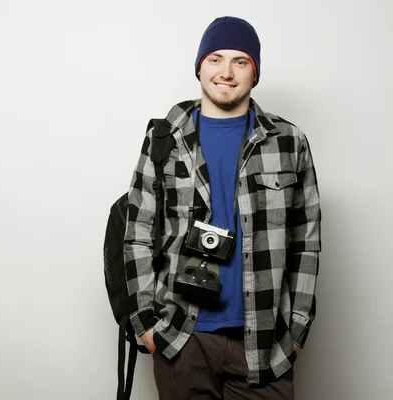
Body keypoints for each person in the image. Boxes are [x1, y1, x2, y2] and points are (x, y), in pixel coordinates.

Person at [123, 16, 321, 399]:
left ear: (255, 73)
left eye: (240, 61)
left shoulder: (288, 142)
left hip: (265, 343)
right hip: (183, 336)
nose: (226, 72)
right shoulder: (165, 137)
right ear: (200, 67)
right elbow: (137, 235)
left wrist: (296, 329)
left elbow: (306, 244)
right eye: (215, 59)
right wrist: (146, 322)